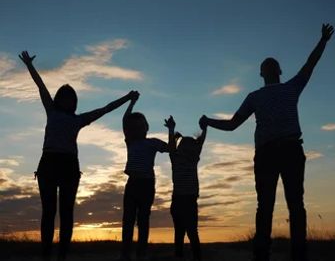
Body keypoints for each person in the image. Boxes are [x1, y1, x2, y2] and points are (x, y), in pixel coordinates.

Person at [199, 24, 334, 261]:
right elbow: (232, 124)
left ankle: (290, 254)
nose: (269, 68)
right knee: (273, 206)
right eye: (267, 66)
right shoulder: (257, 96)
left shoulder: (289, 87)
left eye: (271, 66)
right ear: (265, 73)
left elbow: (310, 64)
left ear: (275, 71)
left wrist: (323, 41)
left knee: (288, 205)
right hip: (271, 153)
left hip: (285, 150)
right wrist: (208, 121)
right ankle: (265, 254)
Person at [19, 51, 139, 261]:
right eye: (63, 97)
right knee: (48, 212)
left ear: (73, 101)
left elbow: (105, 109)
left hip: (69, 166)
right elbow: (40, 86)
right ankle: (46, 254)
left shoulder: (79, 120)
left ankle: (62, 255)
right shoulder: (51, 111)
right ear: (58, 99)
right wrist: (29, 65)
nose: (66, 100)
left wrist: (127, 98)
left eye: (70, 98)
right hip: (48, 163)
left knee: (66, 213)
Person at [121, 95, 168, 261]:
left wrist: (170, 131)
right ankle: (125, 254)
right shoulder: (130, 141)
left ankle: (141, 253)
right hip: (132, 183)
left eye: (141, 127)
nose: (137, 130)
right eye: (134, 128)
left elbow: (171, 149)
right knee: (127, 220)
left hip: (147, 185)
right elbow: (125, 120)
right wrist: (131, 102)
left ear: (147, 127)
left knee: (143, 220)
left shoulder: (153, 142)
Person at [164, 116, 207, 261]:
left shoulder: (190, 159)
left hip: (186, 201)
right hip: (180, 201)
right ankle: (185, 256)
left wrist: (205, 129)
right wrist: (171, 129)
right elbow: (171, 146)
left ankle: (192, 256)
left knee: (188, 232)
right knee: (184, 232)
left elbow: (200, 142)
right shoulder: (177, 159)